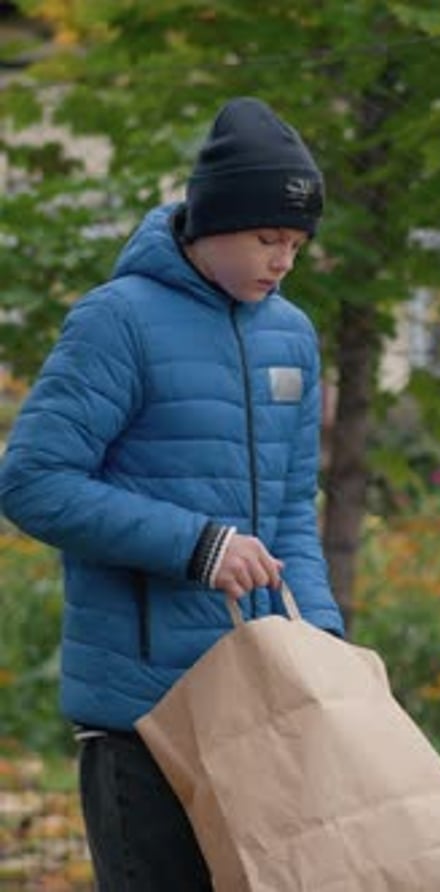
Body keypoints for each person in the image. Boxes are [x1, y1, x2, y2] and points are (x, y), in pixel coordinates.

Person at [0, 96, 344, 890]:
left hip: (266, 705)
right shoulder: (116, 322)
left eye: (296, 242)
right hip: (146, 714)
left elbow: (294, 508)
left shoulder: (292, 333)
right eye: (268, 237)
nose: (284, 259)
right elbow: (32, 483)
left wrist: (321, 638)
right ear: (208, 222)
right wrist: (197, 546)